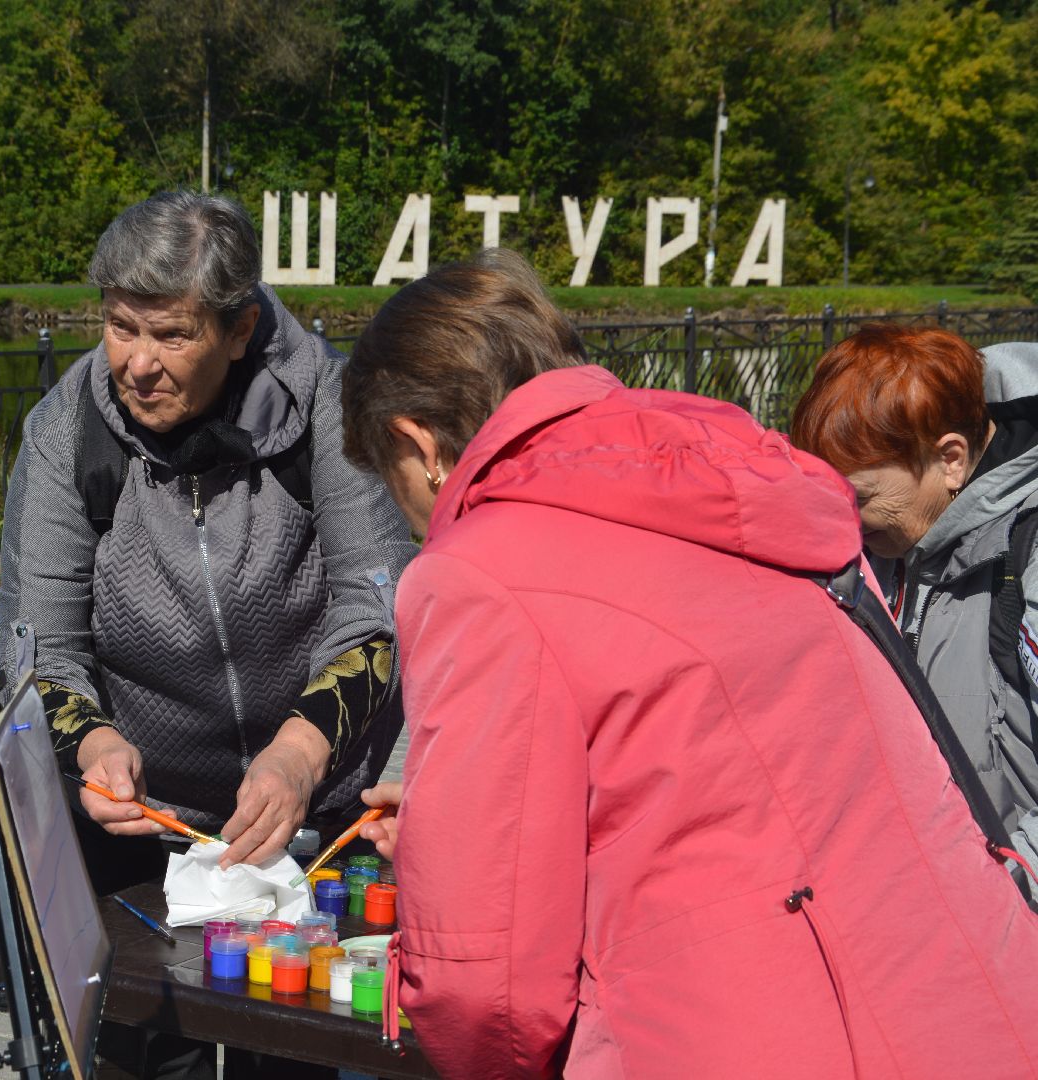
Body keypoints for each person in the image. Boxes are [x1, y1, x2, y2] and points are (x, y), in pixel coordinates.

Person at [339, 252, 1038, 1079]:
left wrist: (455, 868)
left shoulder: (478, 571)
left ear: (417, 445)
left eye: (396, 488)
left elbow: (488, 992)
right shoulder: (742, 484)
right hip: (967, 1002)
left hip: (738, 1035)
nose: (418, 521)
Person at [0, 191, 415, 1077]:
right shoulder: (66, 429)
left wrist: (301, 753)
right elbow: (39, 647)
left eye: (172, 335)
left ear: (238, 327)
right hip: (144, 828)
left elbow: (376, 613)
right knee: (143, 1055)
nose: (137, 364)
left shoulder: (331, 408)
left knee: (288, 1051)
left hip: (308, 812)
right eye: (119, 328)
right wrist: (92, 741)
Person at [791, 328, 1038, 870]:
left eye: (859, 497)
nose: (841, 519)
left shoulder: (1027, 553)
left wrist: (1001, 891)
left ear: (950, 458)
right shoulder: (884, 546)